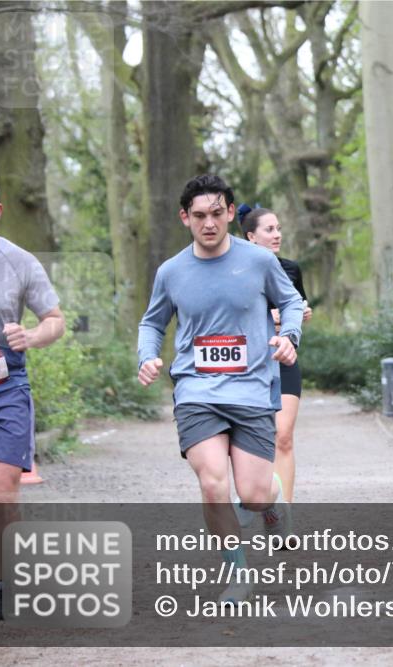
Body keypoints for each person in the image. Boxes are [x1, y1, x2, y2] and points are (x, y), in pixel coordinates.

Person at [137, 175, 303, 604]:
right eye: (198, 216)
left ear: (231, 212)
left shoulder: (260, 262)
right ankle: (238, 573)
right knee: (212, 482)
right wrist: (147, 356)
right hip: (197, 389)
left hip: (251, 388)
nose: (208, 223)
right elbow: (152, 322)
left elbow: (289, 303)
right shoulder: (171, 271)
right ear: (184, 218)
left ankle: (273, 499)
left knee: (253, 494)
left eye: (216, 214)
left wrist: (290, 338)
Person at [0, 171, 66, 620]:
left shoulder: (20, 262)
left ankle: (3, 584)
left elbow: (55, 320)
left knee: (1, 491)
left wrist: (32, 337)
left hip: (5, 390)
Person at [237, 204, 313, 504]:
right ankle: (257, 496)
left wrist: (300, 315)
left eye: (279, 228)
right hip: (248, 364)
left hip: (284, 358)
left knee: (283, 436)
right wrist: (271, 316)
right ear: (251, 236)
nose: (277, 234)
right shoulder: (237, 271)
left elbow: (296, 308)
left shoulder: (291, 269)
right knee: (255, 439)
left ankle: (284, 515)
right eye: (270, 229)